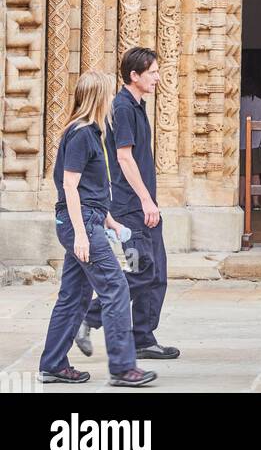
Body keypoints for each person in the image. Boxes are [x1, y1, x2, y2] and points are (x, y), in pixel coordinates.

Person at [39, 70, 157, 387]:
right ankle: (123, 368)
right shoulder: (80, 134)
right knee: (115, 288)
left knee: (73, 296)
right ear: (98, 98)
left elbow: (91, 189)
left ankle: (52, 364)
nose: (113, 101)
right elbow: (70, 186)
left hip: (91, 220)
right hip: (81, 225)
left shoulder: (92, 133)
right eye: (108, 95)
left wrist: (110, 220)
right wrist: (80, 233)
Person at [75, 47, 179, 363]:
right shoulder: (121, 108)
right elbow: (123, 156)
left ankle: (144, 339)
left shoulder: (136, 106)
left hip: (145, 206)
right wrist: (146, 200)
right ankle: (89, 317)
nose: (158, 78)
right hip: (131, 207)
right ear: (134, 75)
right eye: (153, 73)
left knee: (156, 272)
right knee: (142, 269)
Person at [240, 72, 261, 211]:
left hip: (239, 144)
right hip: (257, 144)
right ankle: (256, 202)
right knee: (256, 174)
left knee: (241, 175)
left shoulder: (237, 102)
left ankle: (240, 201)